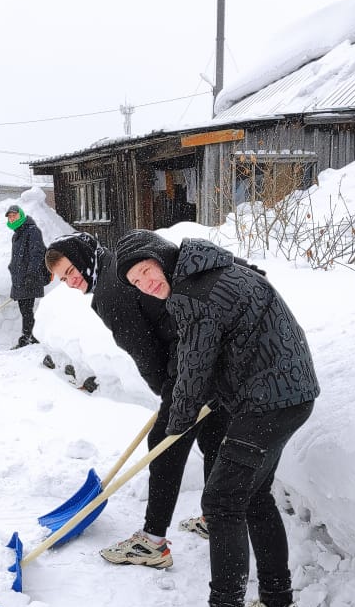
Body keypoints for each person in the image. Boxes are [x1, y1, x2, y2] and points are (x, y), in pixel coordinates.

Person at [116, 229, 320, 607]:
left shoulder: (195, 292)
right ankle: (276, 605)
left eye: (146, 271)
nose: (146, 284)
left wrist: (176, 425)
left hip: (267, 399)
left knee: (223, 499)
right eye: (136, 282)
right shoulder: (214, 270)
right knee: (253, 496)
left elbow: (195, 364)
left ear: (162, 258)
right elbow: (209, 353)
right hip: (290, 394)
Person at [45, 231, 230, 569]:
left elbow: (144, 350)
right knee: (213, 434)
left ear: (84, 259)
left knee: (165, 444)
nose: (70, 282)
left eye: (71, 272)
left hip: (191, 359)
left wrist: (171, 394)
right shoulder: (114, 266)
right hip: (208, 351)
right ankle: (217, 515)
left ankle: (152, 541)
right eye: (63, 278)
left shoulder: (112, 291)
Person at [6, 204, 48, 347]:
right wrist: (12, 268)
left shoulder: (32, 231)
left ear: (21, 215)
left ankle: (29, 337)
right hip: (20, 278)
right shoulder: (16, 234)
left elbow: (37, 254)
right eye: (10, 217)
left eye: (14, 215)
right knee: (25, 310)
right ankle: (31, 336)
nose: (12, 218)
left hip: (30, 278)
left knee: (27, 310)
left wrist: (31, 274)